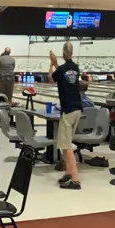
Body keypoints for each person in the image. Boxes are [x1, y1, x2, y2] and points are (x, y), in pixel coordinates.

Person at [49, 42, 83, 190]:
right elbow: (63, 76)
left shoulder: (61, 68)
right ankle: (68, 173)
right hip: (77, 109)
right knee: (65, 144)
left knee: (67, 146)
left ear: (63, 53)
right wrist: (57, 64)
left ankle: (75, 180)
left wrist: (52, 64)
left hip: (68, 110)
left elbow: (51, 79)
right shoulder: (75, 68)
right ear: (72, 53)